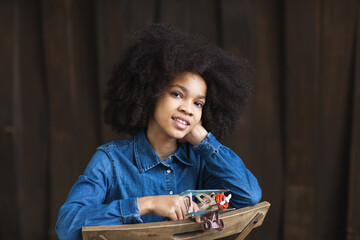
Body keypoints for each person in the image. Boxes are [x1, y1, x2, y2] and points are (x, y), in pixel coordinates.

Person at [55, 23, 261, 240]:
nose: (187, 109)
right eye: (177, 94)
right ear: (150, 93)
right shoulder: (111, 161)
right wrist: (147, 204)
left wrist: (201, 138)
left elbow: (248, 195)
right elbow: (67, 226)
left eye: (198, 103)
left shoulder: (200, 163)